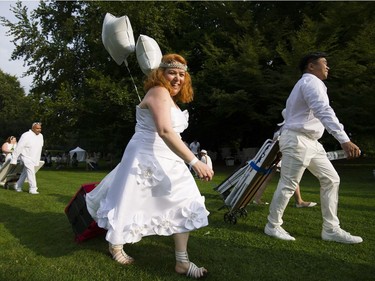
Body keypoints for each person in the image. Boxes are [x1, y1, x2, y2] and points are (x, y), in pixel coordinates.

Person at [86, 54, 214, 278]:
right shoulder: (158, 92)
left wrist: (189, 156)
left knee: (187, 200)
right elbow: (164, 130)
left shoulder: (171, 99)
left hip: (169, 156)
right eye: (172, 73)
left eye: (182, 74)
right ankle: (116, 245)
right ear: (160, 74)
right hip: (144, 155)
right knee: (131, 201)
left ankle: (182, 262)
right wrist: (193, 162)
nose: (177, 78)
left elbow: (173, 134)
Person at [264, 52, 362, 244]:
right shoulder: (311, 82)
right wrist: (344, 139)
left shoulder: (306, 85)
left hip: (310, 142)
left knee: (331, 179)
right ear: (311, 66)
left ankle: (331, 229)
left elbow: (293, 112)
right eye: (324, 63)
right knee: (289, 184)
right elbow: (323, 110)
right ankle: (272, 225)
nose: (328, 67)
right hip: (298, 140)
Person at [10, 122, 44, 194]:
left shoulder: (41, 136)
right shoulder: (26, 135)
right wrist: (14, 159)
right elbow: (19, 147)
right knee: (31, 172)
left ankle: (18, 186)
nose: (39, 130)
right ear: (33, 128)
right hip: (25, 156)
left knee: (25, 173)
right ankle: (33, 189)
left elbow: (39, 147)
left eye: (40, 128)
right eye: (37, 128)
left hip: (34, 157)